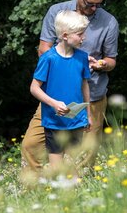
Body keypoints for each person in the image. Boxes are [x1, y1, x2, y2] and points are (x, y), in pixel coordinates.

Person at [22, 0, 119, 173]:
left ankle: (76, 197)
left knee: (83, 157)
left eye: (98, 4)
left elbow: (111, 60)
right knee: (31, 145)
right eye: (89, 3)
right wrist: (71, 63)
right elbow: (43, 50)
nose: (93, 8)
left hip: (91, 98)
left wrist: (100, 64)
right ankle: (38, 192)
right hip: (54, 97)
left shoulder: (109, 22)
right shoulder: (57, 12)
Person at [30, 10, 92, 172]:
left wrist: (88, 114)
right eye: (80, 34)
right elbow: (34, 88)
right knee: (57, 170)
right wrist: (54, 103)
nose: (83, 38)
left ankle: (76, 196)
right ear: (65, 35)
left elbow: (84, 85)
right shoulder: (48, 58)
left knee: (73, 170)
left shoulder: (82, 57)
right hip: (54, 122)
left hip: (77, 120)